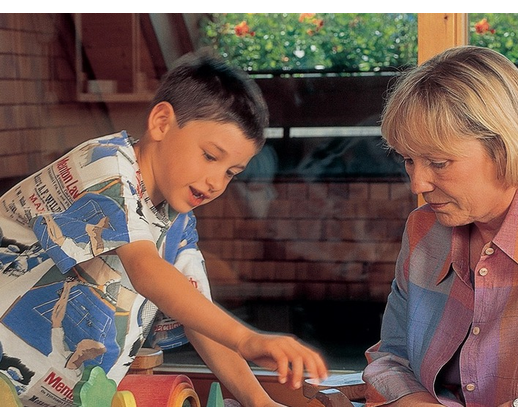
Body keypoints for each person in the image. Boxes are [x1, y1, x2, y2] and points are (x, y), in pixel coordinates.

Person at [0, 48, 328, 407]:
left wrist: (259, 402)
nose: (217, 181)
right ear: (161, 122)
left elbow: (200, 318)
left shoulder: (177, 220)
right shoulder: (105, 164)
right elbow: (146, 271)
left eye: (231, 173)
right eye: (210, 156)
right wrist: (248, 340)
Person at [362, 45, 518, 408]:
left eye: (438, 162)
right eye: (409, 159)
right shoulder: (424, 231)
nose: (417, 184)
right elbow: (391, 358)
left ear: (504, 148)